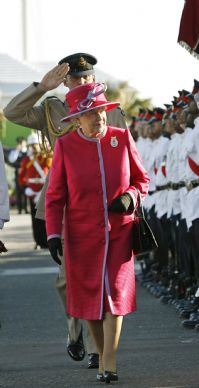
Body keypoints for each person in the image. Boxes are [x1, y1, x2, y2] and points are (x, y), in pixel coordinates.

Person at [4, 53, 127, 368]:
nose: (83, 83)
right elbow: (11, 112)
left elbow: (125, 160)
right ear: (66, 82)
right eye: (76, 79)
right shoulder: (52, 109)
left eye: (87, 78)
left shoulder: (111, 114)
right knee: (67, 280)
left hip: (101, 209)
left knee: (99, 278)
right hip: (62, 208)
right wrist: (40, 87)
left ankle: (98, 350)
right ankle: (76, 332)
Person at [45, 82, 149, 383]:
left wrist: (131, 196)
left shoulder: (121, 137)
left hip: (119, 232)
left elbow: (142, 180)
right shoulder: (66, 146)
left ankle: (109, 360)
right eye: (90, 114)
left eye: (100, 110)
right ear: (77, 119)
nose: (98, 117)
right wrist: (53, 235)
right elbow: (54, 197)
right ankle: (101, 353)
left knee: (115, 294)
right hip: (81, 236)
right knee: (89, 299)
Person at [18, 133, 51, 249]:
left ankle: (49, 240)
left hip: (45, 192)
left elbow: (51, 173)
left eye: (35, 145)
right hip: (32, 193)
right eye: (31, 145)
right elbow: (21, 177)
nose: (33, 147)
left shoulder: (47, 157)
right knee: (35, 219)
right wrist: (26, 189)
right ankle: (39, 240)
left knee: (47, 218)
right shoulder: (27, 159)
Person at [8, 136, 28, 214]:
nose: (21, 144)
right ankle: (20, 209)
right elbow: (11, 160)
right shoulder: (15, 152)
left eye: (21, 142)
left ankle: (26, 208)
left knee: (26, 192)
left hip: (26, 175)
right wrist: (17, 151)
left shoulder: (27, 151)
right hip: (18, 175)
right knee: (18, 192)